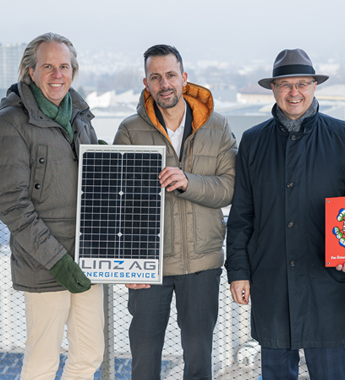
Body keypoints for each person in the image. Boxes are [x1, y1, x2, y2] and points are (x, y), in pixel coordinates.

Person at [225, 48, 345, 380]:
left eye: (302, 84)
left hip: (329, 279)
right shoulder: (253, 141)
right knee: (275, 372)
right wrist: (238, 271)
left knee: (330, 372)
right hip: (271, 277)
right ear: (273, 89)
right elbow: (242, 212)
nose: (294, 92)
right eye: (285, 85)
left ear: (315, 86)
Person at [0, 32, 104, 379]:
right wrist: (58, 261)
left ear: (73, 71)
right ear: (30, 72)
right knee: (43, 361)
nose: (57, 74)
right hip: (44, 263)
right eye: (47, 66)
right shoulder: (7, 125)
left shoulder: (80, 118)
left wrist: (106, 158)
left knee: (90, 354)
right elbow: (13, 207)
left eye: (63, 66)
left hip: (87, 258)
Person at [113, 44, 237, 380]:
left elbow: (229, 188)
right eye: (156, 77)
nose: (164, 83)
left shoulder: (218, 127)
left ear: (184, 78)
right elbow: (116, 202)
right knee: (144, 360)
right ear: (146, 83)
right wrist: (126, 264)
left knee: (198, 362)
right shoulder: (129, 130)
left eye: (170, 75)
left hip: (201, 263)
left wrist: (188, 182)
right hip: (148, 266)